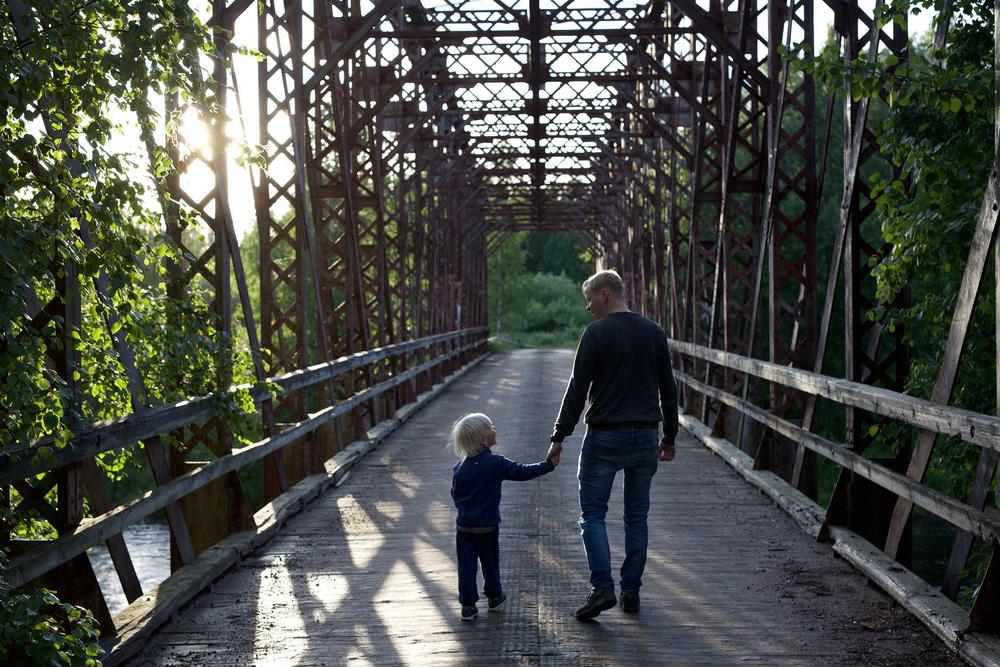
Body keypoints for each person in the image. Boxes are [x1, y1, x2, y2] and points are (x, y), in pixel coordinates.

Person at [545, 269, 678, 620]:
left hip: (605, 435)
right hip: (646, 435)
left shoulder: (595, 333)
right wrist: (670, 436)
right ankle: (631, 590)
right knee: (637, 515)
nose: (588, 307)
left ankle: (602, 587)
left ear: (605, 294)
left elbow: (577, 390)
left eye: (589, 299)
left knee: (593, 513)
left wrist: (559, 436)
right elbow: (669, 389)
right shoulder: (654, 332)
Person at [450, 412, 556, 621]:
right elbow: (522, 472)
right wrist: (548, 465)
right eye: (491, 427)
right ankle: (494, 596)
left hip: (464, 527)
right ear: (483, 439)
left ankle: (468, 605)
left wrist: (466, 510)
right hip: (487, 526)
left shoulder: (459, 468)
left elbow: (455, 495)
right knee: (490, 561)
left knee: (466, 566)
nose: (494, 429)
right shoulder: (495, 463)